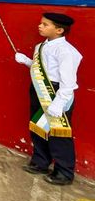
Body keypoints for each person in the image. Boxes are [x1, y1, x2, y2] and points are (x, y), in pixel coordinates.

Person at [15, 13, 82, 186]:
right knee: (38, 126)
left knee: (58, 132)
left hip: (56, 92)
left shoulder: (66, 51)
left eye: (45, 24)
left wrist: (59, 102)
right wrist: (27, 61)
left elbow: (68, 82)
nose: (40, 26)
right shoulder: (41, 46)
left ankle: (64, 171)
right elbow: (41, 69)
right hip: (38, 88)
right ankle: (41, 162)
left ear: (59, 30)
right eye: (41, 23)